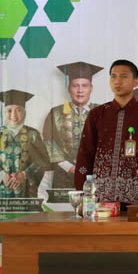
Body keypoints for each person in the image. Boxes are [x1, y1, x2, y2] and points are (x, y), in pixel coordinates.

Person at [74, 60, 138, 205]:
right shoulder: (97, 114)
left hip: (136, 199)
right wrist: (81, 193)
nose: (117, 81)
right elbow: (85, 154)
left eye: (123, 76)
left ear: (136, 82)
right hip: (100, 199)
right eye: (113, 76)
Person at [43, 61, 102, 190]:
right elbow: (48, 141)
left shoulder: (102, 112)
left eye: (84, 86)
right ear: (69, 88)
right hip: (63, 175)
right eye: (75, 86)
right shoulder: (56, 113)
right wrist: (69, 167)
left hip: (96, 174)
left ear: (91, 88)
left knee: (94, 202)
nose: (80, 90)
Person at [0, 90, 48, 198]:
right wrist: (1, 175)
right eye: (9, 110)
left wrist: (24, 175)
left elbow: (42, 160)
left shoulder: (33, 135)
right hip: (1, 193)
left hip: (26, 193)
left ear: (24, 112)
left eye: (18, 110)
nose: (14, 115)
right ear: (4, 112)